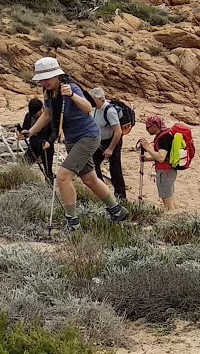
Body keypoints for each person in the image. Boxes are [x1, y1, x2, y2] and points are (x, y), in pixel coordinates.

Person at [21, 56, 129, 232]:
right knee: (89, 179)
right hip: (72, 140)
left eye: (46, 78)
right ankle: (117, 211)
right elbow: (47, 115)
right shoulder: (48, 93)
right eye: (41, 79)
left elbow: (88, 108)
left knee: (63, 177)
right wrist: (30, 131)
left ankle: (73, 222)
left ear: (56, 75)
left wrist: (71, 95)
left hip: (88, 137)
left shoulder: (71, 87)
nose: (44, 82)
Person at [89, 86, 127, 203]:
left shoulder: (109, 111)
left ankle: (121, 196)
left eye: (93, 100)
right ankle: (102, 191)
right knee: (94, 164)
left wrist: (110, 149)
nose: (92, 102)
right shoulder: (96, 109)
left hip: (113, 141)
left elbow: (118, 132)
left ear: (100, 99)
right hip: (100, 141)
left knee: (115, 168)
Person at [139, 115, 181, 211]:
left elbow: (161, 158)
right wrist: (147, 159)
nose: (147, 130)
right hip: (169, 171)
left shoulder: (163, 137)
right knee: (171, 195)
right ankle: (178, 216)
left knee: (167, 198)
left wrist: (147, 147)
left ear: (154, 126)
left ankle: (172, 217)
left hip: (165, 172)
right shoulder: (165, 134)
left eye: (148, 127)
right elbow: (164, 155)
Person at [16, 96, 55, 182]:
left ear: (42, 108)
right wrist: (22, 132)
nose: (36, 115)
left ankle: (49, 188)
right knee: (23, 165)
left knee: (48, 172)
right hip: (33, 145)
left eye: (36, 113)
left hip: (46, 147)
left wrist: (49, 142)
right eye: (33, 114)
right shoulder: (28, 116)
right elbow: (25, 128)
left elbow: (54, 132)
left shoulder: (49, 116)